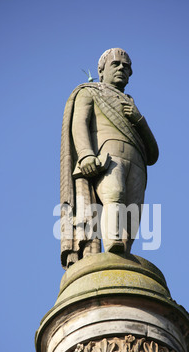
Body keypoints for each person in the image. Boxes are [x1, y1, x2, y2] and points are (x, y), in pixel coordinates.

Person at [60, 48, 159, 269]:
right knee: (115, 194)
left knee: (132, 211)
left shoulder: (132, 106)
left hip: (138, 164)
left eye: (127, 66)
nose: (122, 69)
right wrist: (86, 155)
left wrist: (138, 119)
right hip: (108, 157)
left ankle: (124, 253)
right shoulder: (89, 92)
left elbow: (153, 154)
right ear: (101, 70)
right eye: (116, 64)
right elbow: (79, 123)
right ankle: (113, 242)